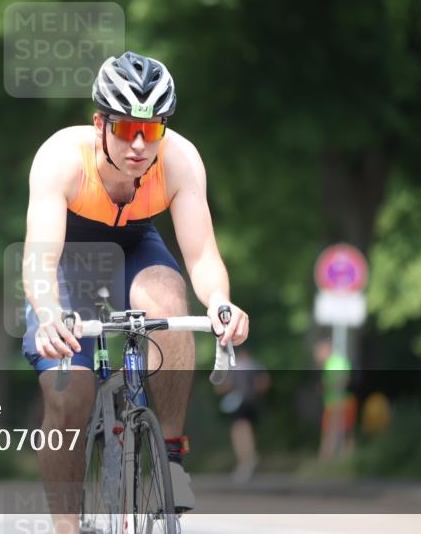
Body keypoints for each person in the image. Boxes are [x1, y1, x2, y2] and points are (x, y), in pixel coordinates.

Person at [21, 51, 250, 533]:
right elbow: (40, 260)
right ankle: (66, 527)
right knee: (68, 395)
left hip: (135, 245)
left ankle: (169, 455)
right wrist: (49, 314)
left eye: (153, 129)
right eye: (126, 128)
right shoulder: (62, 158)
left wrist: (220, 303)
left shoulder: (180, 159)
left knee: (167, 299)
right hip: (69, 259)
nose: (140, 145)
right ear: (99, 122)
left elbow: (203, 253)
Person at [216, 348, 270, 483]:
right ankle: (248, 459)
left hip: (242, 403)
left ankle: (247, 460)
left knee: (240, 430)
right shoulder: (254, 365)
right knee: (246, 430)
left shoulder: (233, 366)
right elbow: (264, 382)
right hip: (250, 402)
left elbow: (221, 387)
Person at [314, 338, 356, 461]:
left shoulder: (336, 362)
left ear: (326, 350)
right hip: (334, 403)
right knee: (336, 432)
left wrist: (327, 387)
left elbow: (343, 381)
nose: (316, 356)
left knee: (335, 432)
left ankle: (327, 461)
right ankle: (337, 461)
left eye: (318, 352)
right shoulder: (329, 364)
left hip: (341, 402)